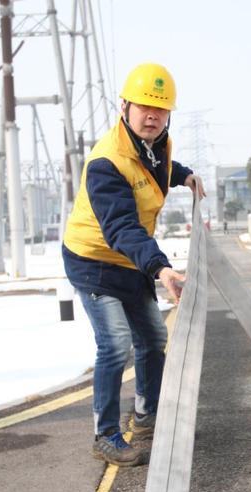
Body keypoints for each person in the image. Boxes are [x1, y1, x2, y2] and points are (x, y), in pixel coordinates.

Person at [62, 62, 205, 466]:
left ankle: (147, 414)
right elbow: (122, 228)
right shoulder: (106, 162)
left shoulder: (157, 142)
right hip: (94, 259)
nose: (152, 116)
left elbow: (155, 168)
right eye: (144, 106)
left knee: (153, 337)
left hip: (129, 260)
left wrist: (185, 176)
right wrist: (161, 269)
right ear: (124, 106)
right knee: (115, 344)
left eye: (159, 109)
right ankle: (105, 434)